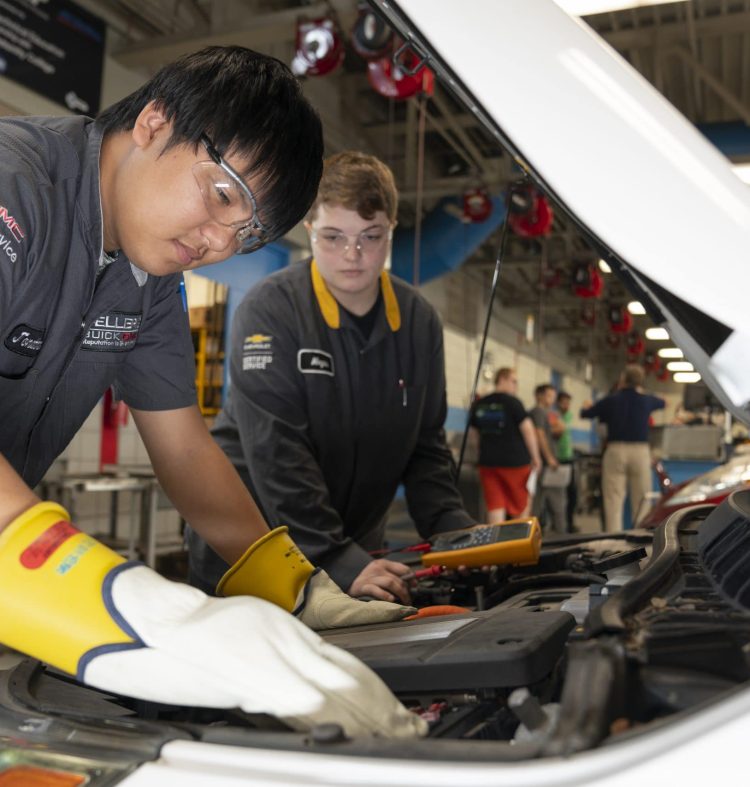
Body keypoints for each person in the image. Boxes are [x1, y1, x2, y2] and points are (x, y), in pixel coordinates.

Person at [0, 47, 425, 738]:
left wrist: (292, 584)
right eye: (224, 196)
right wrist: (138, 606)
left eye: (247, 232)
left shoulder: (148, 280)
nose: (218, 243)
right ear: (154, 122)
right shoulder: (15, 190)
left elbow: (186, 447)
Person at [187, 150, 475, 605]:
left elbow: (425, 448)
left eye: (370, 237)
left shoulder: (420, 322)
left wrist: (458, 534)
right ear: (310, 231)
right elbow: (276, 452)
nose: (353, 255)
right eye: (334, 236)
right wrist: (337, 558)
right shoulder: (271, 309)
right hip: (254, 545)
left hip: (353, 546)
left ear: (392, 230)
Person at [580, 364, 665, 532]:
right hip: (640, 452)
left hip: (616, 450)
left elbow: (586, 414)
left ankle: (614, 541)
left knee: (613, 499)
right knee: (641, 500)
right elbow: (664, 402)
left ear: (622, 379)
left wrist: (586, 405)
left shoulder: (611, 399)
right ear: (640, 382)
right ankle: (640, 539)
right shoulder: (647, 400)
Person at [469, 368, 542, 523]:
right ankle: (518, 545)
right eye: (514, 381)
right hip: (515, 464)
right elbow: (528, 430)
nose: (516, 386)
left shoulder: (480, 403)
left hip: (488, 464)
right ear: (502, 378)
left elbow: (473, 435)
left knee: (495, 507)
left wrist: (479, 454)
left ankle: (497, 545)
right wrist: (536, 457)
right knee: (520, 508)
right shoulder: (513, 403)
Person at [529, 383, 568, 533]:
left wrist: (558, 429)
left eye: (553, 396)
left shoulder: (547, 414)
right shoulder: (538, 411)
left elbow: (547, 433)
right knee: (552, 506)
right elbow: (540, 435)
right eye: (549, 396)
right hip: (545, 466)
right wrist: (550, 458)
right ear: (539, 395)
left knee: (549, 505)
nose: (552, 399)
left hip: (547, 465)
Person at [551, 390, 576, 530]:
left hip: (569, 458)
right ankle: (558, 525)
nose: (567, 404)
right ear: (558, 403)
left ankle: (569, 523)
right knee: (558, 495)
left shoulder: (569, 416)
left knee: (572, 494)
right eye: (564, 402)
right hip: (557, 459)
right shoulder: (554, 416)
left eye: (568, 402)